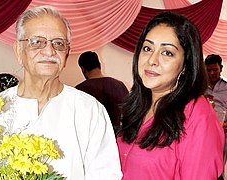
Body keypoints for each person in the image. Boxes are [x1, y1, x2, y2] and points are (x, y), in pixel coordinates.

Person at [0, 5, 122, 180]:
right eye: (36, 42)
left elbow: (106, 175)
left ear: (67, 54)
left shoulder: (89, 110)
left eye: (58, 43)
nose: (48, 51)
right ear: (18, 51)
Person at [116, 11, 225, 179]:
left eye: (167, 53)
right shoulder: (138, 106)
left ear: (186, 65)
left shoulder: (197, 114)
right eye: (147, 48)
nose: (152, 60)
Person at [75, 51, 129, 132]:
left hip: (92, 136)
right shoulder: (119, 85)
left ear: (83, 69)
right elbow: (129, 113)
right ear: (99, 65)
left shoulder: (80, 90)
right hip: (118, 136)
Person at [204, 54, 227, 121]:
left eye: (215, 70)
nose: (212, 73)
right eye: (208, 70)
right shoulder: (200, 87)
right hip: (203, 124)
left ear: (221, 69)